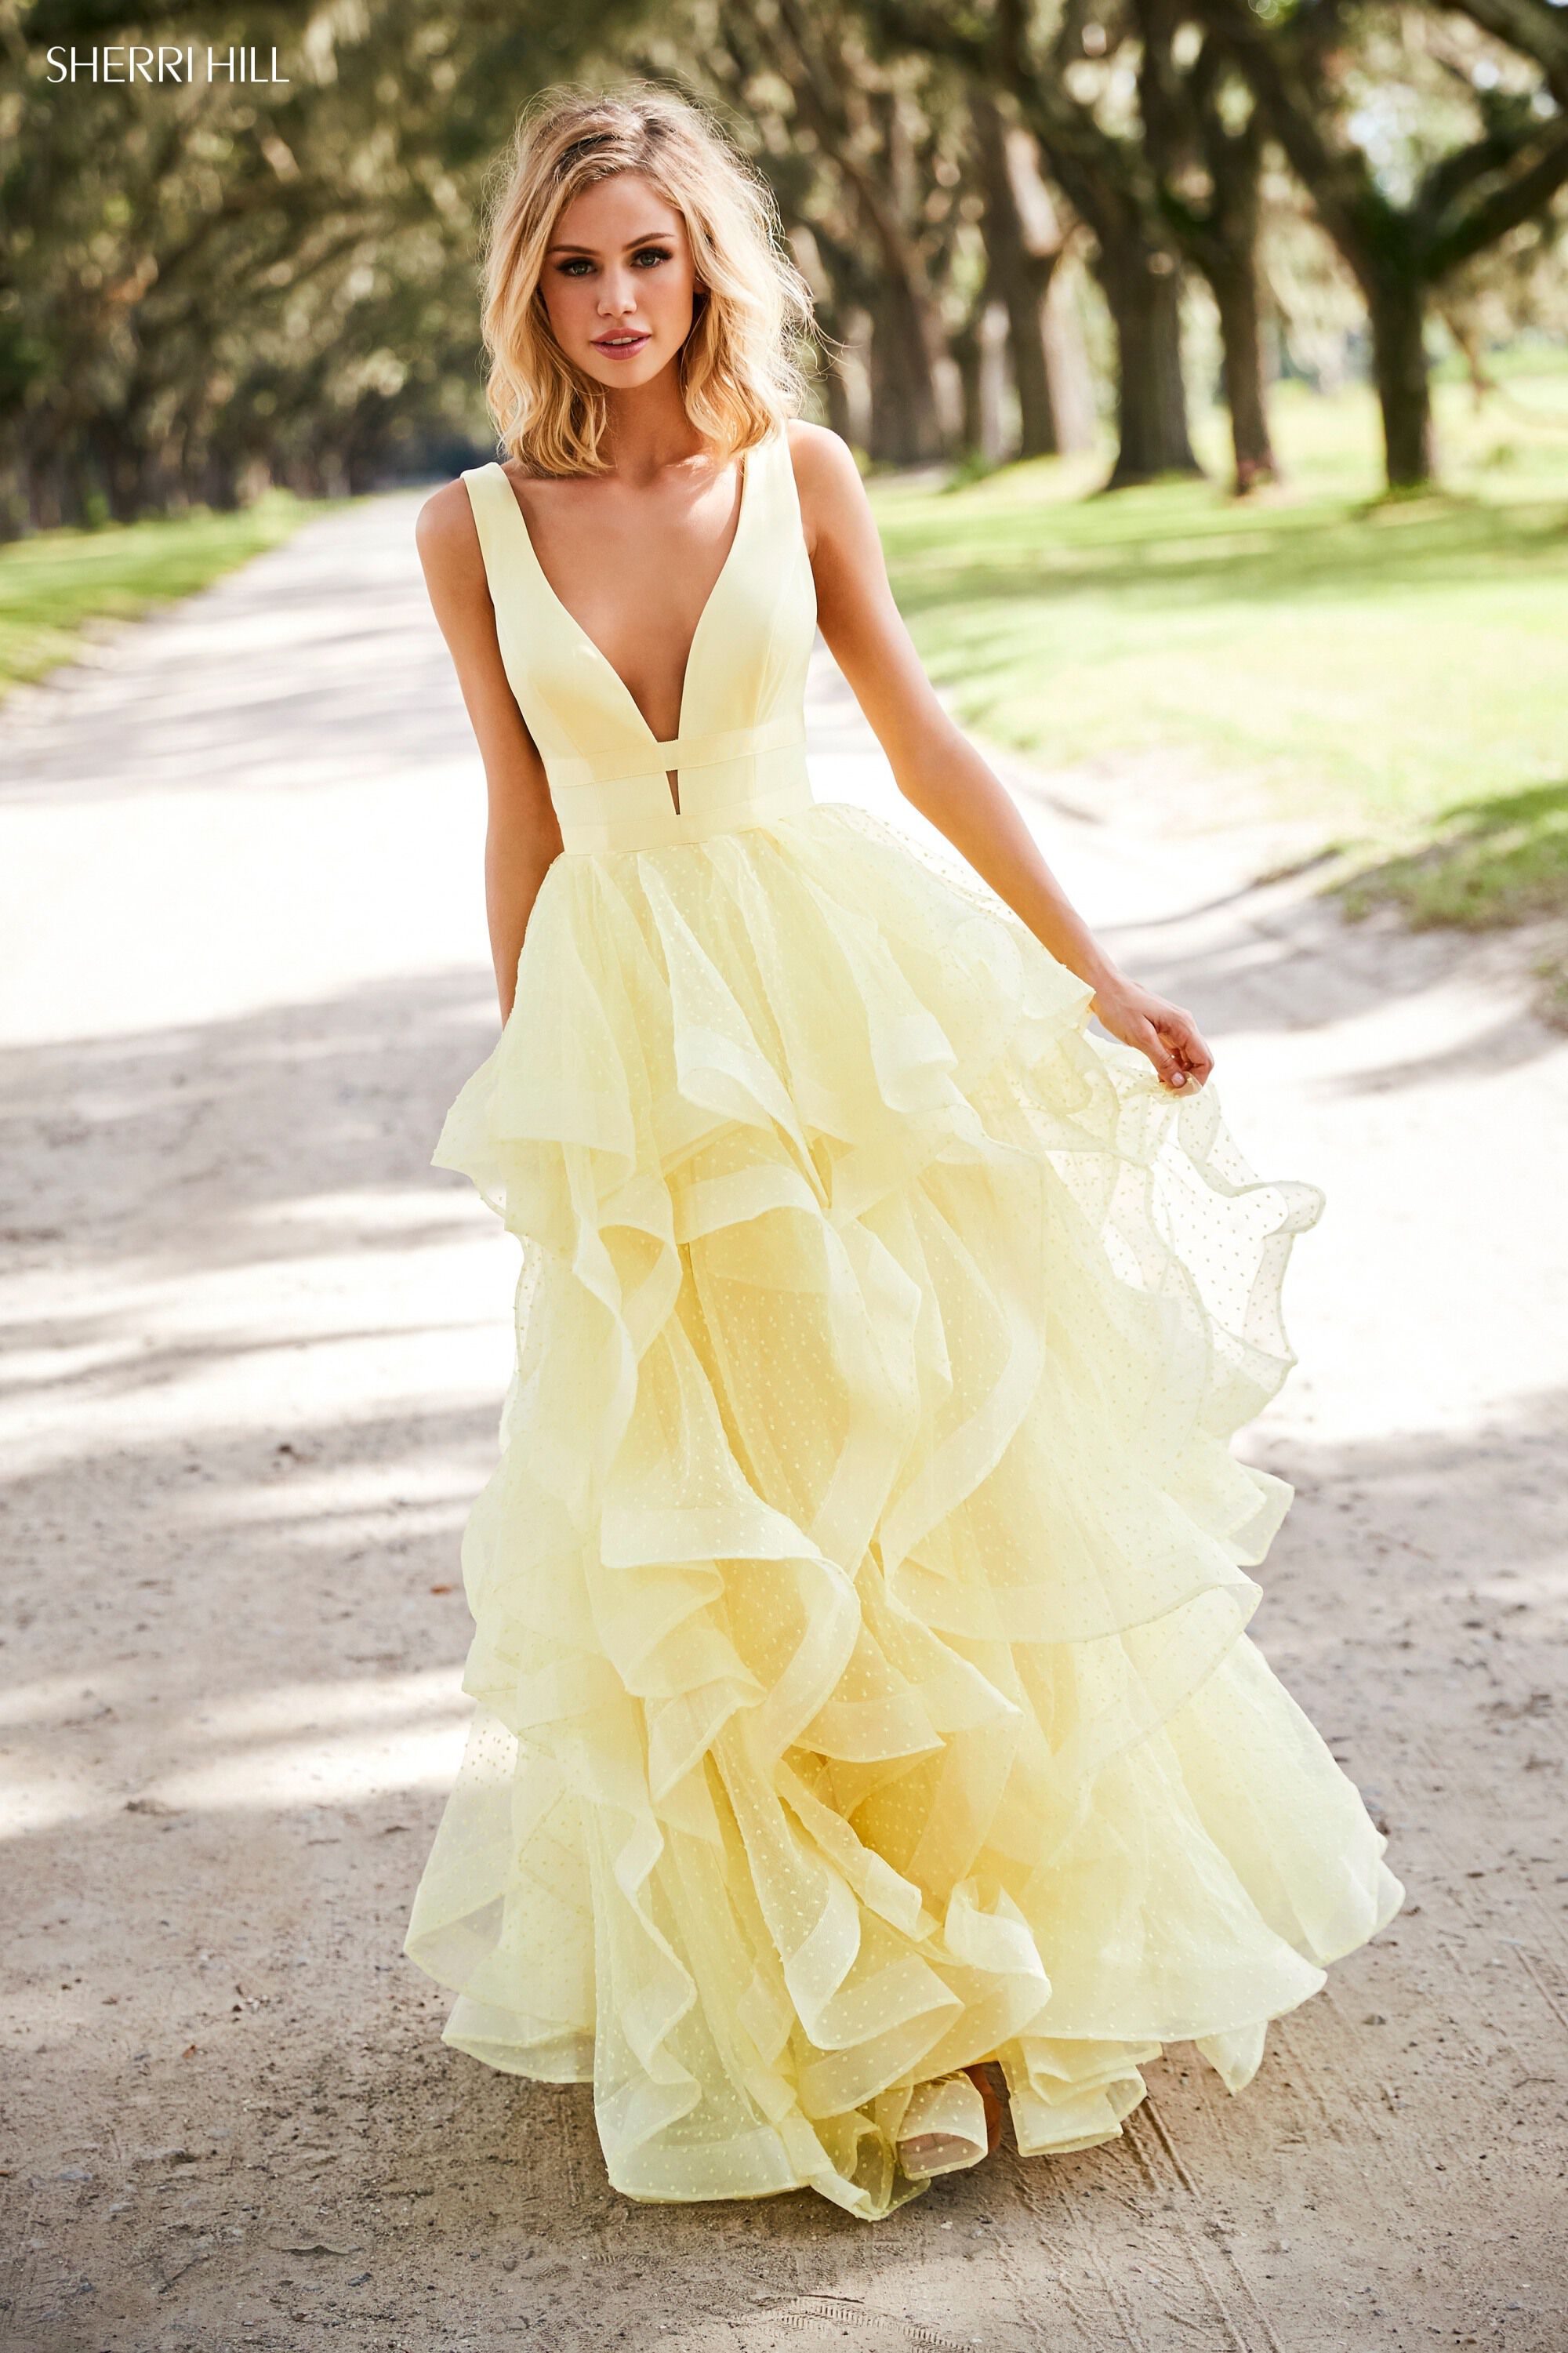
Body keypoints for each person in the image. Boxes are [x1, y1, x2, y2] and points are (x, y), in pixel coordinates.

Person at [402, 82, 1402, 2221]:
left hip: (842, 1009)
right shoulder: (470, 527)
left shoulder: (803, 475)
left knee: (910, 1465)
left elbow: (926, 739)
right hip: (643, 1051)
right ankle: (802, 1985)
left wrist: (1105, 977)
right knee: (715, 1514)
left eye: (650, 256)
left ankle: (983, 1979)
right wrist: (537, 1091)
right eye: (575, 264)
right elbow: (519, 803)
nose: (614, 301)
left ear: (707, 268)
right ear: (530, 283)